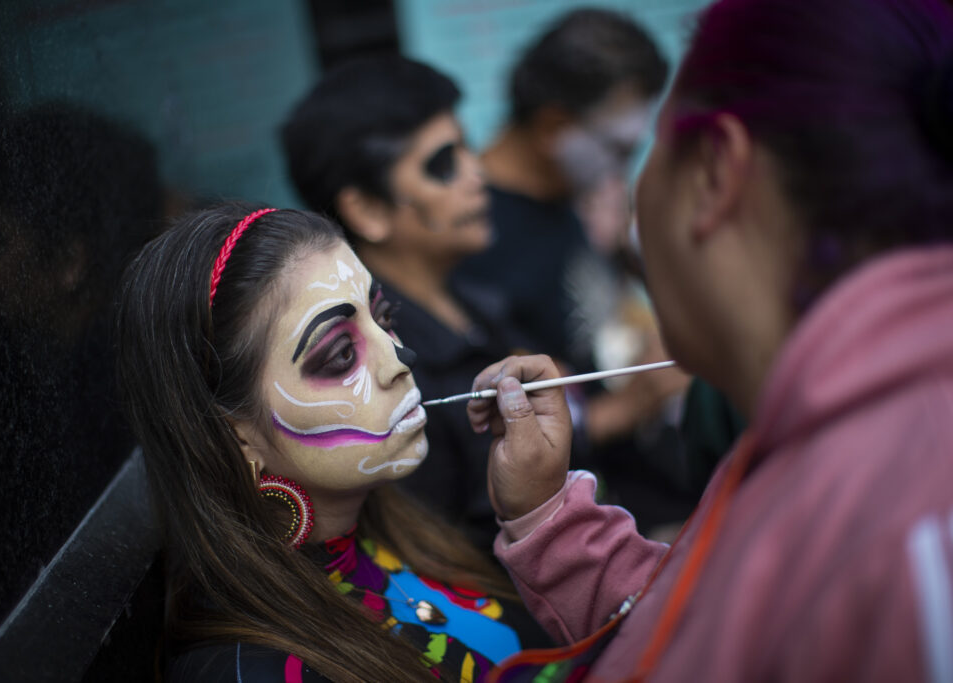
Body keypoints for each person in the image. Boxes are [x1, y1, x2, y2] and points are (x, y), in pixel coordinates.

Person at [465, 0, 953, 680]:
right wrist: (551, 520)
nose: (629, 186)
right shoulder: (810, 437)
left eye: (649, 150)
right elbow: (701, 627)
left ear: (715, 173)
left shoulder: (915, 537)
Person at [115, 204, 543, 682]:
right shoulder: (250, 672)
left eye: (383, 316)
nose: (400, 358)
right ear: (235, 433)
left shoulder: (397, 525)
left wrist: (539, 512)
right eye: (340, 354)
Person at [281, 55, 537, 551]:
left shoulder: (473, 300)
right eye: (443, 164)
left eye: (468, 148)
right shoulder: (390, 371)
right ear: (369, 210)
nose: (476, 173)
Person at [456, 8, 694, 533]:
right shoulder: (472, 238)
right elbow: (503, 427)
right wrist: (638, 399)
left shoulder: (570, 198)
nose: (626, 166)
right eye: (618, 148)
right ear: (554, 127)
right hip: (593, 517)